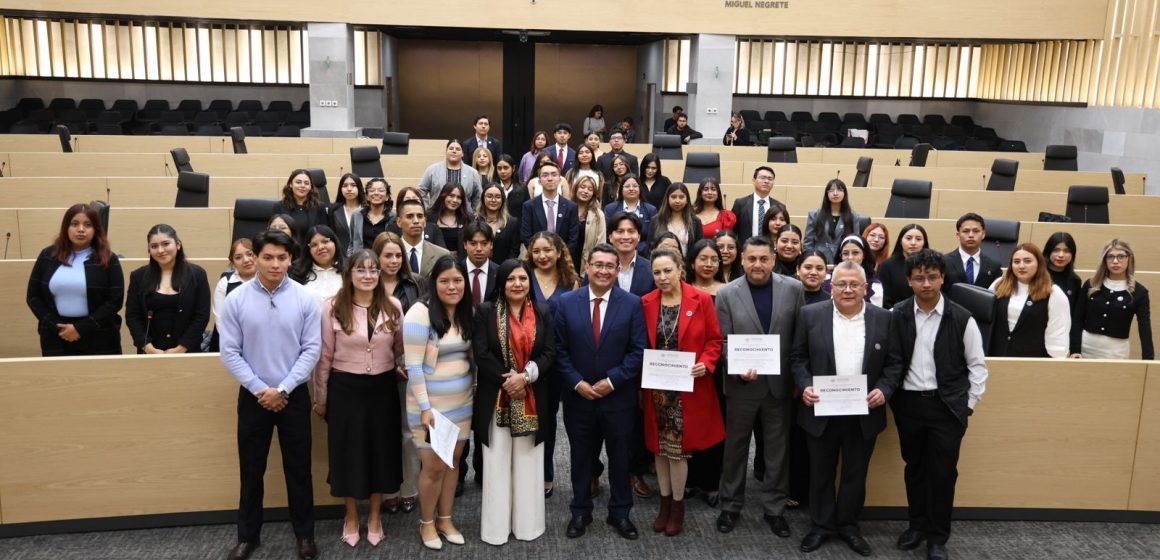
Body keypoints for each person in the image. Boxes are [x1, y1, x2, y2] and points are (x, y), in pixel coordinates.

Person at [218, 230, 321, 560]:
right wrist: (262, 390)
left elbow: (312, 350)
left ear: (291, 259)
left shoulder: (306, 298)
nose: (275, 264)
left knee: (299, 470)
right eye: (267, 257)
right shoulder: (237, 299)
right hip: (254, 397)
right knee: (251, 471)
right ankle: (248, 537)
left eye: (282, 257)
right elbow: (230, 352)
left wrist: (285, 388)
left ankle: (305, 536)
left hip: (293, 396)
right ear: (255, 258)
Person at [793, 261, 904, 556]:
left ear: (866, 289)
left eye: (855, 284)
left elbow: (895, 363)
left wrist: (885, 389)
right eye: (841, 284)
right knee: (820, 472)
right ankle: (821, 526)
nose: (848, 290)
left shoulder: (885, 319)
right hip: (820, 410)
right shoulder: (809, 315)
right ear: (831, 287)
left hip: (863, 412)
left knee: (856, 473)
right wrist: (804, 386)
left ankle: (848, 526)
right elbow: (797, 359)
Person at [890, 249, 988, 560]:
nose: (927, 283)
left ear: (942, 278)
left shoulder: (962, 317)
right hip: (908, 405)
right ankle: (916, 526)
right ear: (909, 281)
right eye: (919, 278)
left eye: (933, 277)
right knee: (915, 469)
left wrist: (968, 404)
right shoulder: (898, 313)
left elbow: (978, 366)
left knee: (943, 474)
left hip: (947, 407)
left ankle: (937, 537)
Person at [555, 243, 648, 540]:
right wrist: (577, 383)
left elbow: (638, 351)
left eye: (610, 266)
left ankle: (620, 513)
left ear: (617, 270)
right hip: (578, 397)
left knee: (620, 458)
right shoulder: (567, 302)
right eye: (598, 264)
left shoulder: (632, 303)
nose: (604, 270)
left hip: (618, 398)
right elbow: (559, 350)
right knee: (581, 459)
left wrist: (612, 381)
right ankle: (580, 512)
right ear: (587, 266)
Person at [313, 249, 404, 548]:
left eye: (373, 270)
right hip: (345, 390)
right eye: (361, 270)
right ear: (349, 273)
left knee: (381, 452)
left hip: (382, 389)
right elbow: (324, 357)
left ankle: (375, 516)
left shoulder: (392, 306)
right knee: (347, 454)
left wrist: (400, 368)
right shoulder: (331, 308)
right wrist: (321, 398)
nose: (368, 276)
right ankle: (351, 516)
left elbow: (400, 349)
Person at [714, 236, 804, 537]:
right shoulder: (726, 293)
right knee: (735, 448)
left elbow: (798, 339)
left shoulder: (794, 289)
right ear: (742, 259)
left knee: (777, 451)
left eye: (764, 259)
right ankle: (730, 505)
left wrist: (795, 379)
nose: (757, 265)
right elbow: (722, 342)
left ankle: (774, 509)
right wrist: (739, 368)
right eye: (752, 259)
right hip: (741, 386)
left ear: (774, 259)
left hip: (779, 387)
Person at [641, 247, 725, 537]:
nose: (662, 277)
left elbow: (715, 340)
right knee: (659, 450)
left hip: (688, 389)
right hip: (656, 390)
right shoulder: (646, 302)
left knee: (677, 452)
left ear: (680, 270)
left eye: (667, 270)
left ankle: (677, 507)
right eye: (657, 272)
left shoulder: (701, 300)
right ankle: (664, 504)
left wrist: (706, 363)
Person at [472, 259, 557, 545]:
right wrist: (510, 381)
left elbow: (549, 353)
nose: (517, 284)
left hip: (533, 396)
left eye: (523, 278)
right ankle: (495, 530)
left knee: (528, 463)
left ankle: (527, 526)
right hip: (496, 396)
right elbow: (481, 354)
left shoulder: (543, 311)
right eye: (511, 279)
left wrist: (526, 377)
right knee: (496, 464)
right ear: (501, 283)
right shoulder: (485, 312)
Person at [403, 256, 475, 550]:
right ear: (434, 283)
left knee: (453, 463)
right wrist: (424, 408)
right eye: (445, 280)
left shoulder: (464, 312)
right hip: (430, 408)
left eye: (458, 280)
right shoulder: (419, 314)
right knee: (433, 467)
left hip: (462, 404)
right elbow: (414, 366)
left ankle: (445, 519)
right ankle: (427, 523)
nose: (452, 286)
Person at [372, 231, 426, 515]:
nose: (393, 261)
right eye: (387, 256)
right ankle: (388, 489)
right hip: (376, 369)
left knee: (408, 432)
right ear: (376, 257)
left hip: (409, 368)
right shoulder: (366, 285)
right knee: (382, 431)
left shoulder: (415, 285)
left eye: (397, 256)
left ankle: (408, 488)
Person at [27, 203, 124, 356]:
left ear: (96, 230)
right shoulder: (48, 255)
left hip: (100, 336)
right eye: (74, 224)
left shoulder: (108, 258)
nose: (81, 229)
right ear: (66, 227)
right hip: (56, 335)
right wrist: (59, 327)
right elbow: (33, 297)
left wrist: (80, 328)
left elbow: (114, 301)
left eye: (88, 225)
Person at [524, 231, 580, 497]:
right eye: (537, 251)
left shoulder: (572, 281)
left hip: (561, 360)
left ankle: (547, 474)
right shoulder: (522, 276)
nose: (542, 256)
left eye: (548, 250)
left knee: (554, 419)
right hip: (528, 359)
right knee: (530, 416)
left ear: (559, 252)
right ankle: (528, 471)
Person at [125, 224, 210, 355]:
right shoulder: (138, 277)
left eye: (166, 244)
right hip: (149, 353)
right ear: (149, 250)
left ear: (178, 244)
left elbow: (202, 316)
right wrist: (147, 347)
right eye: (154, 246)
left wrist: (181, 348)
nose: (160, 250)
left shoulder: (197, 275)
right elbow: (132, 316)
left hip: (188, 352)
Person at [1071, 239, 1153, 360]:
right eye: (1110, 257)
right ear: (1105, 260)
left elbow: (1144, 328)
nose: (1115, 261)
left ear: (1129, 258)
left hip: (1116, 352)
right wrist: (1074, 349)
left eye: (1121, 256)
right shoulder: (1091, 285)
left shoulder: (1139, 292)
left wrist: (1148, 360)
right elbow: (1077, 319)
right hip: (1085, 349)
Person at [987, 243, 1071, 358]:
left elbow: (1058, 335)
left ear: (1039, 263)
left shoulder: (1054, 293)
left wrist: (1056, 362)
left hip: (1032, 361)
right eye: (1016, 262)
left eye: (1027, 261)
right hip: (997, 356)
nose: (1021, 266)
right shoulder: (998, 284)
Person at [521, 160, 581, 260]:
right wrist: (539, 255)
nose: (550, 179)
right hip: (537, 260)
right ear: (539, 181)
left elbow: (573, 238)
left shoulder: (571, 207)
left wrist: (560, 256)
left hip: (563, 260)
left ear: (560, 179)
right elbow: (526, 236)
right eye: (545, 175)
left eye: (554, 175)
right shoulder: (529, 206)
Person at [804, 179, 867, 264]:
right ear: (827, 194)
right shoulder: (815, 214)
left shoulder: (853, 216)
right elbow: (808, 241)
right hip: (819, 257)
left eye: (839, 190)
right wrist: (808, 259)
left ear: (845, 194)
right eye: (831, 190)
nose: (835, 193)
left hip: (843, 258)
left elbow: (855, 241)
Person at [210, 238, 257, 352]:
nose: (246, 260)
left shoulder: (268, 280)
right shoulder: (225, 282)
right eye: (238, 257)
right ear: (233, 262)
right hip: (228, 345)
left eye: (250, 254)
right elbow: (221, 321)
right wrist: (236, 346)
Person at [942, 213, 1002, 292]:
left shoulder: (994, 266)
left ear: (983, 234)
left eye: (976, 231)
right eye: (966, 231)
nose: (971, 235)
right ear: (958, 235)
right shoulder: (943, 262)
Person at [418, 140, 483, 210]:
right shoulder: (432, 169)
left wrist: (472, 212)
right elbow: (421, 190)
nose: (454, 151)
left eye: (458, 149)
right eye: (451, 148)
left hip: (464, 216)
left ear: (462, 153)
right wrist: (427, 209)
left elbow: (479, 196)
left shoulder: (472, 172)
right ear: (446, 151)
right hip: (437, 214)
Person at [878, 223, 930, 309]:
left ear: (924, 243)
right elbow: (884, 299)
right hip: (895, 315)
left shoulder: (931, 266)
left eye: (918, 239)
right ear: (900, 241)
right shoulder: (887, 265)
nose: (913, 243)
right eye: (908, 238)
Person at [397, 199, 451, 279]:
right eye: (409, 216)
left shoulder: (442, 255)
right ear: (399, 222)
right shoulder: (389, 253)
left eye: (420, 216)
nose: (416, 221)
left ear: (425, 222)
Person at [604, 174, 656, 256]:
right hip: (615, 254)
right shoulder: (610, 209)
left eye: (635, 186)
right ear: (621, 189)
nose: (631, 189)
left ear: (640, 189)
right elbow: (608, 234)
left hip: (643, 255)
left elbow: (652, 238)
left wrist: (633, 248)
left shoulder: (650, 210)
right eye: (627, 186)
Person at [649, 182, 704, 257]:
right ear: (667, 199)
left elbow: (699, 248)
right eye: (673, 197)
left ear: (687, 200)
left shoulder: (695, 221)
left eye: (681, 197)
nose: (677, 201)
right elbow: (650, 247)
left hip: (686, 266)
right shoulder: (656, 220)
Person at [608, 212, 656, 297]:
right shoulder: (598, 268)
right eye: (620, 231)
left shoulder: (651, 269)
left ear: (638, 237)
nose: (626, 237)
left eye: (631, 231)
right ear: (610, 237)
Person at [276, 169, 328, 247]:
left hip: (312, 251)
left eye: (306, 183)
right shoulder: (279, 206)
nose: (302, 186)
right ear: (290, 184)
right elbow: (274, 233)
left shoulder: (319, 207)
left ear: (310, 187)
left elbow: (325, 234)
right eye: (298, 182)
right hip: (287, 250)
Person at [732, 166, 784, 240]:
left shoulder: (779, 206)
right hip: (746, 249)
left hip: (770, 249)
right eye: (762, 178)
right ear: (753, 180)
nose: (766, 181)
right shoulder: (740, 203)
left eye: (770, 179)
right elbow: (733, 230)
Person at [835, 236, 884, 307]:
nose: (850, 257)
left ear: (864, 255)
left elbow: (875, 314)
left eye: (855, 253)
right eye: (845, 253)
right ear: (841, 256)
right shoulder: (828, 281)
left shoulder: (874, 285)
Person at [478, 183, 522, 262]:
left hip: (502, 269)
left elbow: (514, 251)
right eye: (489, 196)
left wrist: (505, 269)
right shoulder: (474, 221)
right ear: (483, 199)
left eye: (497, 197)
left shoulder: (512, 223)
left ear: (503, 200)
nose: (493, 200)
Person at [1043, 231, 1083, 314]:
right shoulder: (1037, 275)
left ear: (1072, 255)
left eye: (1066, 251)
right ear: (1048, 252)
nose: (1061, 255)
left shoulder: (1075, 281)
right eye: (1056, 250)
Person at [328, 173, 367, 257]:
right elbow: (331, 235)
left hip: (365, 257)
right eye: (345, 186)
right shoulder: (334, 209)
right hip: (341, 258)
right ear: (340, 189)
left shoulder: (367, 209)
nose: (349, 189)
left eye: (353, 185)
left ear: (359, 188)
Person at [461, 220, 498, 306]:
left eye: (484, 243)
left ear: (491, 245)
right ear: (465, 245)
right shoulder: (456, 270)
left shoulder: (499, 273)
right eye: (473, 244)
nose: (479, 249)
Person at [429, 183, 472, 256]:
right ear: (443, 196)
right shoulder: (429, 217)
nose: (455, 200)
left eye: (459, 197)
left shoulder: (467, 219)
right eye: (451, 196)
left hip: (459, 263)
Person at [573, 175, 607, 268]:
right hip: (568, 262)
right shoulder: (566, 209)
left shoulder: (598, 215)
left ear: (594, 193)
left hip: (587, 263)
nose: (585, 191)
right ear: (576, 188)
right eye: (582, 187)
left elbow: (601, 242)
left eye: (590, 189)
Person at [361, 178, 396, 246]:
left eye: (381, 190)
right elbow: (352, 242)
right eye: (372, 190)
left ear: (387, 196)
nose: (376, 193)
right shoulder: (357, 215)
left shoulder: (393, 218)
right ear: (367, 196)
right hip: (362, 256)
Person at [495, 154, 529, 221]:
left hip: (517, 227)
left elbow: (527, 212)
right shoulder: (492, 187)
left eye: (506, 168)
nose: (502, 171)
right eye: (499, 168)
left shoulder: (522, 188)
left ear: (513, 168)